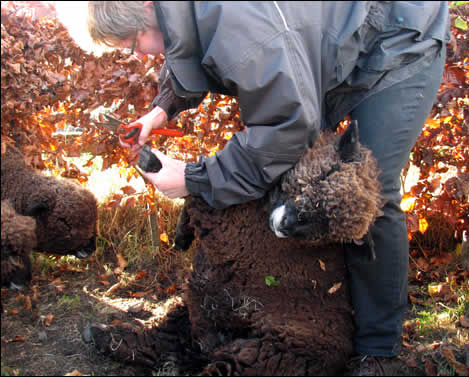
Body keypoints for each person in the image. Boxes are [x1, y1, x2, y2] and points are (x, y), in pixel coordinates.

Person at [87, 2, 450, 375]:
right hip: (329, 41)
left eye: (133, 42)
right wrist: (159, 112)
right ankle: (277, 307)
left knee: (370, 191)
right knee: (284, 172)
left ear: (148, 7)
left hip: (399, 34)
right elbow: (190, 49)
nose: (141, 54)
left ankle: (378, 351)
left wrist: (194, 179)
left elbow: (286, 130)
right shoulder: (184, 11)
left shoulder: (245, 28)